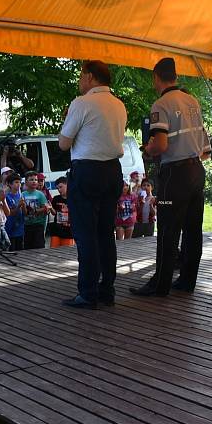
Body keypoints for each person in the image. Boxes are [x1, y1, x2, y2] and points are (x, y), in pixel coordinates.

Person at [130, 57, 210, 297]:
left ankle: (160, 284)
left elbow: (161, 144)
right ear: (175, 76)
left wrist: (148, 149)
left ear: (156, 77)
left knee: (167, 228)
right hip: (197, 170)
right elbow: (205, 149)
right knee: (193, 230)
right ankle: (187, 281)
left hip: (174, 176)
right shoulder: (192, 101)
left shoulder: (161, 104)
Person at [59, 60, 127, 309]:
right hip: (112, 171)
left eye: (81, 76)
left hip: (87, 170)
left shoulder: (81, 103)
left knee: (86, 234)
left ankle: (87, 292)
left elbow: (64, 144)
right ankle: (106, 289)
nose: (79, 81)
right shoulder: (119, 105)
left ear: (89, 77)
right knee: (105, 233)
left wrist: (66, 119)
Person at [22, 171, 51, 249]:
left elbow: (45, 208)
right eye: (31, 180)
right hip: (27, 224)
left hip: (38, 224)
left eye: (36, 180)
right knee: (28, 246)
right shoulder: (23, 194)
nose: (34, 181)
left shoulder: (40, 194)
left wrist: (36, 211)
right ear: (26, 182)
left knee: (38, 245)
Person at [49, 177, 74, 248]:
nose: (59, 190)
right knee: (53, 250)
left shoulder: (74, 198)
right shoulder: (56, 198)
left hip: (69, 231)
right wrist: (51, 208)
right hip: (56, 230)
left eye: (61, 187)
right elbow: (54, 213)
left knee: (66, 252)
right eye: (57, 188)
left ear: (67, 185)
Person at [4, 173, 26, 251]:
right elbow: (10, 213)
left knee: (20, 249)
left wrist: (24, 206)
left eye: (19, 182)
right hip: (11, 227)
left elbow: (25, 213)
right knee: (12, 249)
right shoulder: (7, 197)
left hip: (20, 228)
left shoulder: (21, 195)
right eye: (16, 182)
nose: (18, 184)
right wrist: (19, 206)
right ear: (10, 184)